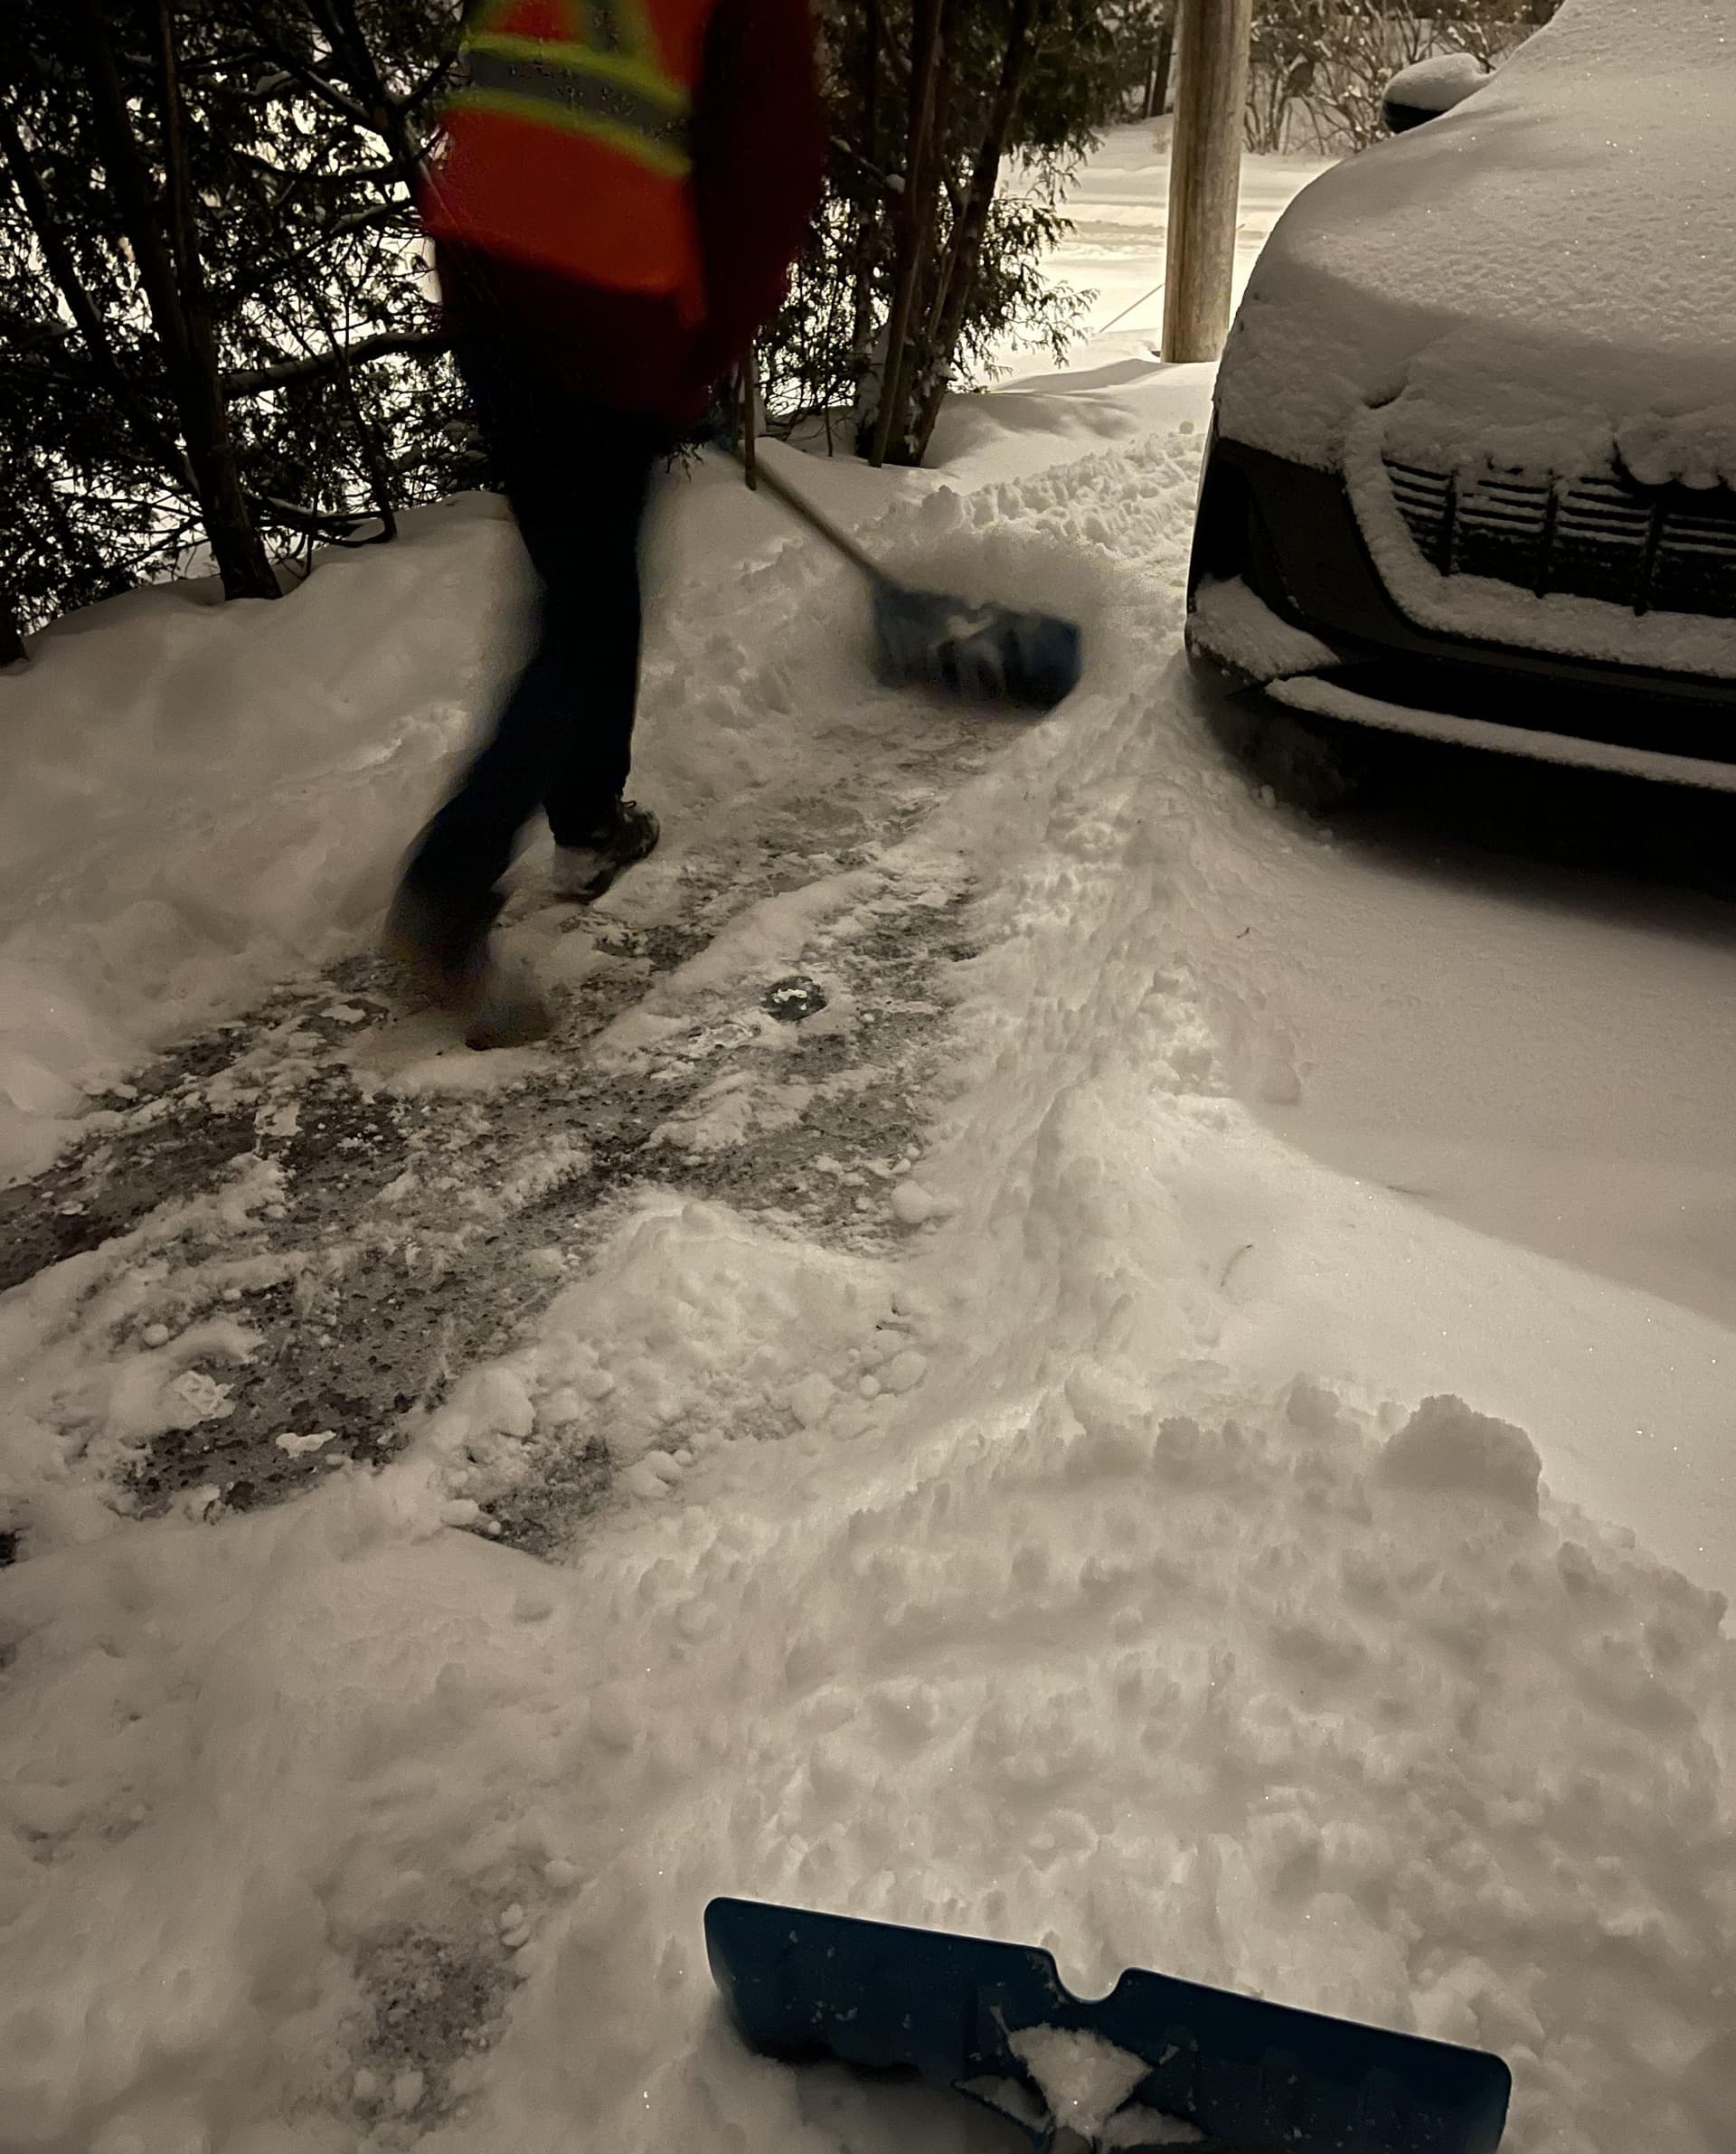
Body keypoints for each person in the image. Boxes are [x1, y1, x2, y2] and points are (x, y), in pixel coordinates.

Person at [387, 0, 826, 1047]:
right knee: (583, 611)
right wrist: (696, 354)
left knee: (581, 573)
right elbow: (764, 183)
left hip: (483, 261)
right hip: (600, 287)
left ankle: (588, 819)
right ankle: (448, 890)